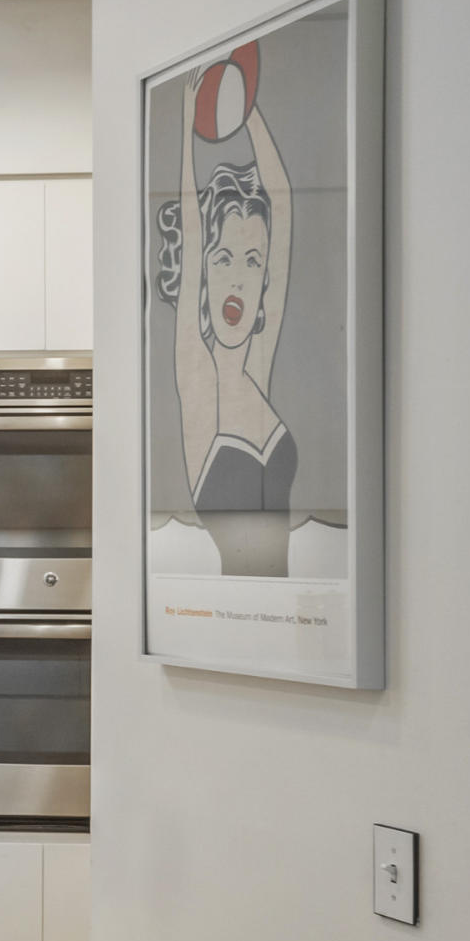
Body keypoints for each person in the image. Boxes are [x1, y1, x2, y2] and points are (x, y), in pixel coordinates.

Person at [156, 42, 293, 576]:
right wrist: (188, 130)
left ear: (264, 288)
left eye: (253, 262)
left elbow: (280, 202)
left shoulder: (257, 367)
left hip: (288, 620)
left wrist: (243, 104)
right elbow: (191, 238)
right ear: (204, 274)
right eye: (224, 258)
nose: (239, 277)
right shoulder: (199, 383)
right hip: (231, 614)